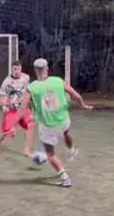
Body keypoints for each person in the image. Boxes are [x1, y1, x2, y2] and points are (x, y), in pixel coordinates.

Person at [14, 58, 93, 187]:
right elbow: (76, 95)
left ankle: (64, 177)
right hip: (63, 119)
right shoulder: (58, 81)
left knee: (50, 154)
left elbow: (22, 109)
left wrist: (13, 126)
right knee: (66, 132)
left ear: (35, 70)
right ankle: (71, 149)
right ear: (47, 69)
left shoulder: (31, 88)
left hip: (47, 125)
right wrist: (83, 106)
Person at [0, 60, 34, 157]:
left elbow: (29, 91)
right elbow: (1, 99)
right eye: (15, 69)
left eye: (19, 69)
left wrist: (28, 101)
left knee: (31, 125)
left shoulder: (26, 78)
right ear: (11, 69)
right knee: (11, 132)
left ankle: (27, 150)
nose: (17, 71)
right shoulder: (7, 82)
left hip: (22, 108)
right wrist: (9, 103)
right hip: (10, 110)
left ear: (21, 69)